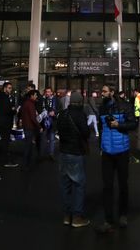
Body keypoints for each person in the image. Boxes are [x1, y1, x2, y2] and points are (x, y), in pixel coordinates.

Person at [95, 84, 138, 233]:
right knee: (107, 187)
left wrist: (119, 124)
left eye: (105, 91)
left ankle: (123, 215)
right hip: (107, 152)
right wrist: (100, 146)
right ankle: (108, 220)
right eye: (102, 91)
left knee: (123, 185)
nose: (102, 93)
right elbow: (101, 128)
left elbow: (133, 124)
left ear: (112, 93)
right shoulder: (102, 108)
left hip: (122, 151)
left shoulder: (125, 106)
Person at [56, 91, 92, 228]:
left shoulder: (63, 114)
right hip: (76, 152)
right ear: (80, 102)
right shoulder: (80, 115)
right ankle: (77, 217)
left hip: (63, 152)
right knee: (78, 185)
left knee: (65, 185)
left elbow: (58, 129)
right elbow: (85, 133)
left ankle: (67, 215)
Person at [0, 81, 19, 167]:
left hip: (0, 121)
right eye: (9, 88)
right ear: (5, 88)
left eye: (11, 88)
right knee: (4, 141)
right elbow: (8, 110)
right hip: (4, 122)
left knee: (2, 141)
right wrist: (14, 110)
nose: (10, 90)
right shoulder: (4, 97)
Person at [20, 89, 42, 167]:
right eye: (35, 95)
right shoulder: (30, 104)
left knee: (28, 145)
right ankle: (25, 164)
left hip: (26, 126)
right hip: (29, 127)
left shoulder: (26, 103)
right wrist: (39, 127)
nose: (36, 96)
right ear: (31, 96)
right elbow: (33, 117)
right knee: (28, 146)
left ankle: (26, 163)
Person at [39, 86, 60, 160]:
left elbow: (60, 109)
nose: (47, 93)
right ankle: (41, 155)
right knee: (43, 139)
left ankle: (51, 154)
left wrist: (55, 113)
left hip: (53, 121)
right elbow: (41, 109)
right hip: (45, 122)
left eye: (48, 92)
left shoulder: (57, 100)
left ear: (51, 92)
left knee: (52, 139)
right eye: (46, 92)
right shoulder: (43, 100)